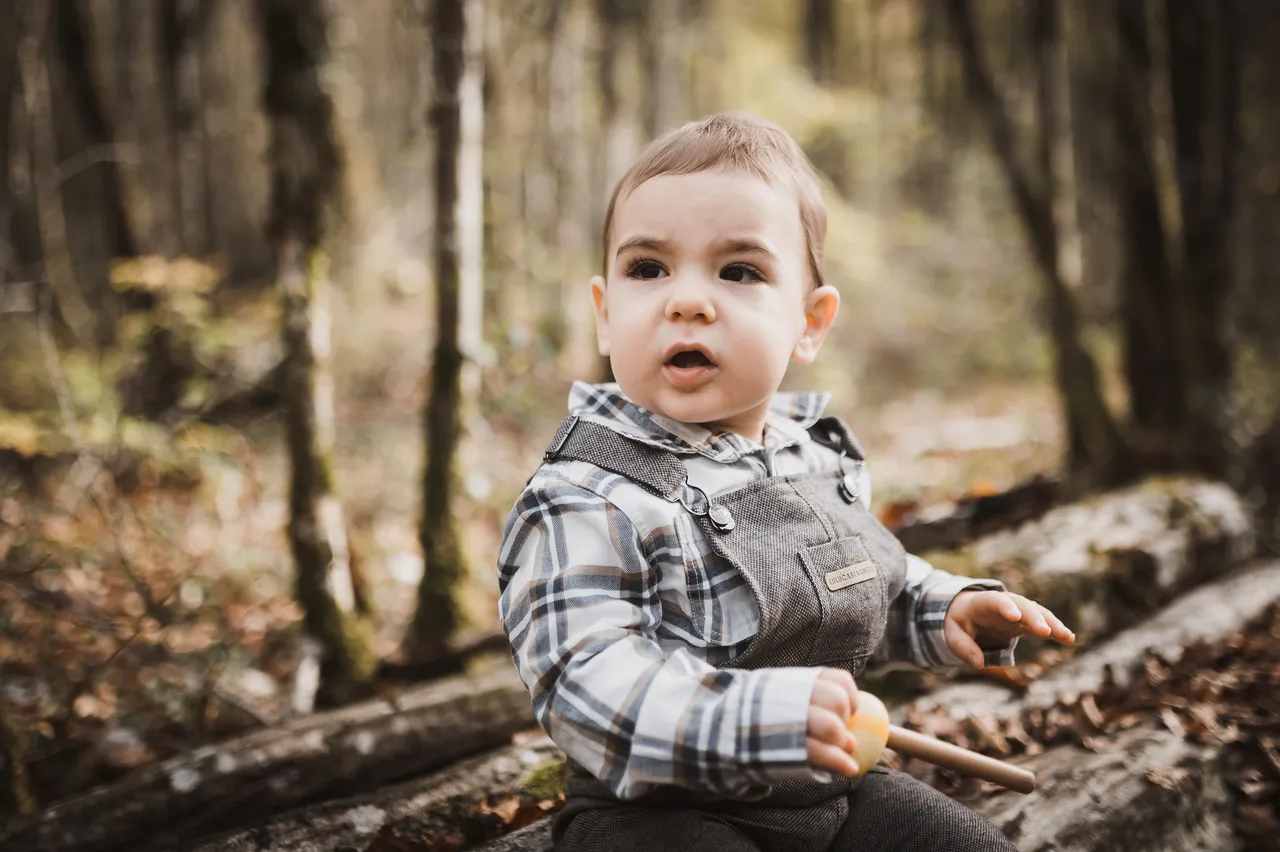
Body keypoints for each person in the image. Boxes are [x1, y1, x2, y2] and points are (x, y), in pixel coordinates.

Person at [497, 112, 1074, 852]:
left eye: (738, 271)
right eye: (648, 269)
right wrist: (759, 720)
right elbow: (587, 686)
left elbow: (864, 589)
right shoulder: (586, 493)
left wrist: (946, 611)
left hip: (829, 792)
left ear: (809, 323)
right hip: (661, 819)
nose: (687, 300)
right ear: (606, 316)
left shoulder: (811, 458)